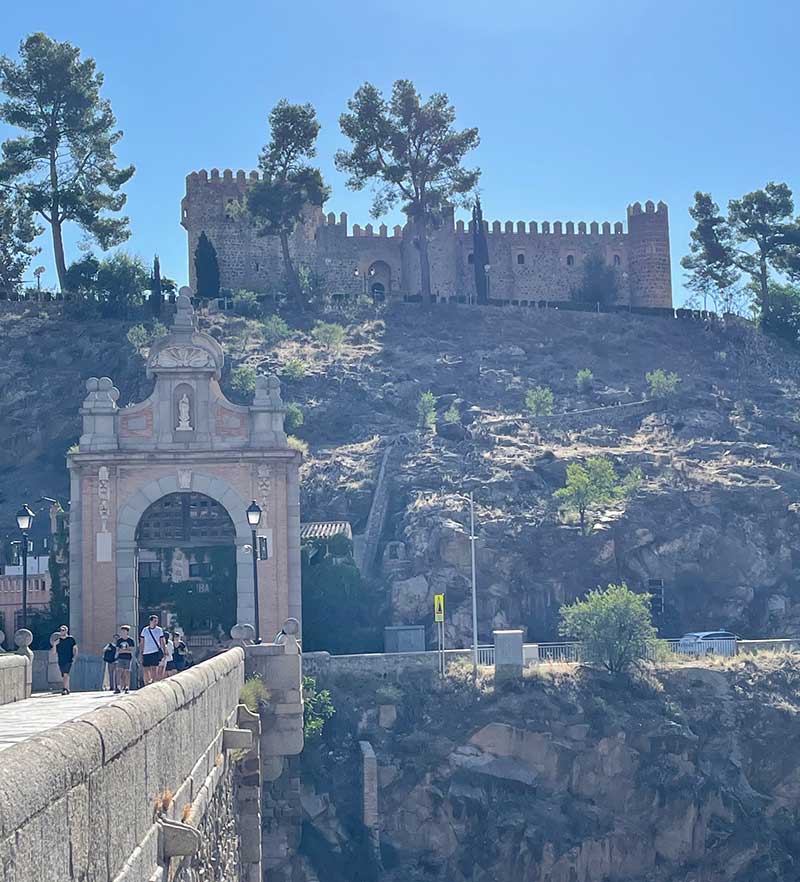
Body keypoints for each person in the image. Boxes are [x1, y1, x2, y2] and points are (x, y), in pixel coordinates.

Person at [139, 614, 166, 685]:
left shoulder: (159, 630)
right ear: (150, 621)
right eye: (154, 621)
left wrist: (164, 650)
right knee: (145, 669)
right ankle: (146, 683)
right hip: (146, 652)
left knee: (154, 668)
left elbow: (162, 641)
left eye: (156, 621)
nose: (156, 623)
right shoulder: (145, 630)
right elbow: (142, 642)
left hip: (155, 651)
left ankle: (153, 682)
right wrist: (141, 652)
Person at [54, 624, 77, 695]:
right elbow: (54, 652)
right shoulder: (58, 641)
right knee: (64, 675)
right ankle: (67, 688)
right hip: (61, 659)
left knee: (65, 674)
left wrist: (74, 657)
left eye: (63, 630)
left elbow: (75, 648)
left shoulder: (71, 639)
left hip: (69, 659)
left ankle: (64, 689)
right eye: (61, 630)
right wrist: (54, 644)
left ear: (66, 631)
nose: (62, 631)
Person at [115, 625, 135, 693]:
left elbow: (131, 650)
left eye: (124, 631)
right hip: (120, 657)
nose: (123, 632)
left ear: (127, 632)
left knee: (127, 672)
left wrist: (124, 650)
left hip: (128, 658)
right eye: (122, 631)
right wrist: (126, 650)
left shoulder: (131, 640)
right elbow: (118, 650)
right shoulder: (119, 641)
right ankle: (118, 687)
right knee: (119, 672)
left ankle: (127, 687)